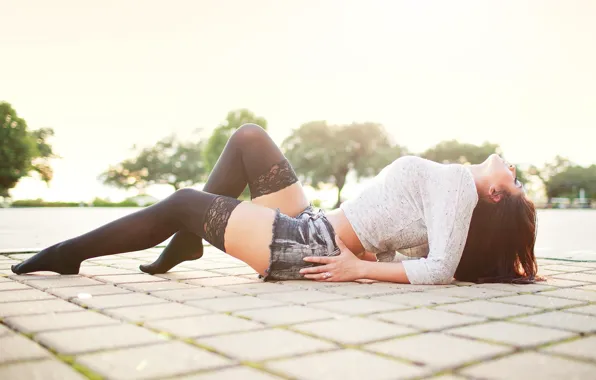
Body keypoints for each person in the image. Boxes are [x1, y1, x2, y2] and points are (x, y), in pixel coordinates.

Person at [11, 124, 538, 284]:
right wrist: (376, 258)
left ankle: (68, 252)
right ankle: (189, 242)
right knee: (249, 139)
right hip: (313, 224)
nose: (512, 168)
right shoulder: (452, 194)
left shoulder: (458, 191)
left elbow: (441, 268)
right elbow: (421, 253)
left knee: (182, 201)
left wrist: (356, 267)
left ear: (495, 193)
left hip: (307, 245)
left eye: (515, 180)